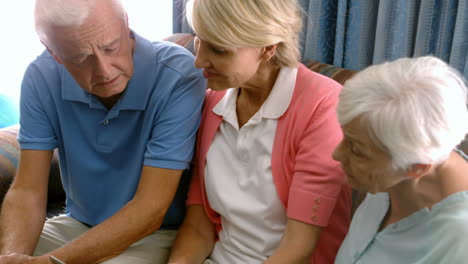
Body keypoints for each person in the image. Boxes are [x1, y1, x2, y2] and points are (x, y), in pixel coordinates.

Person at [0, 0, 205, 263]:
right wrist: (12, 257)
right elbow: (29, 189)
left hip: (157, 234)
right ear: (54, 54)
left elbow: (151, 208)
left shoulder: (179, 75)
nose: (104, 70)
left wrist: (51, 262)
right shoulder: (41, 76)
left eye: (111, 47)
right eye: (80, 58)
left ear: (126, 25)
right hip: (76, 226)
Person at [168, 0, 351, 263]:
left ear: (267, 48)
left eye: (218, 50)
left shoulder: (324, 106)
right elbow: (199, 225)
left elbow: (299, 246)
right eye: (199, 40)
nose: (198, 61)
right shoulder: (212, 102)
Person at [333, 56, 468, 263]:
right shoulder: (391, 172)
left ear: (417, 168)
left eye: (357, 150)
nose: (336, 154)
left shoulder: (459, 242)